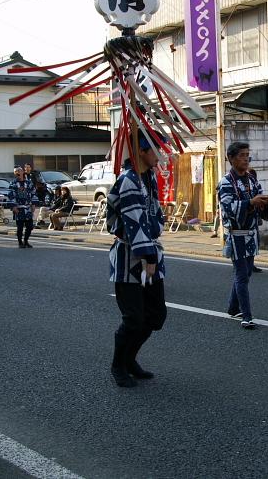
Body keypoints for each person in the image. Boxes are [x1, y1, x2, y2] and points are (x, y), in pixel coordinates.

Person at [106, 131, 168, 387]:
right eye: (156, 149)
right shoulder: (129, 180)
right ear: (141, 151)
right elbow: (133, 221)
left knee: (156, 316)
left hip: (150, 251)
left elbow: (155, 215)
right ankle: (118, 364)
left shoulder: (148, 177)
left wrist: (153, 243)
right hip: (130, 258)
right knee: (134, 319)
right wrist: (147, 255)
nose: (160, 154)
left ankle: (130, 358)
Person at [218, 142, 268, 329]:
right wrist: (251, 202)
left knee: (247, 272)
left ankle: (233, 308)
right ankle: (247, 316)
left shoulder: (251, 179)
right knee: (242, 274)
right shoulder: (226, 182)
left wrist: (264, 201)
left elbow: (258, 196)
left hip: (251, 233)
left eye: (247, 155)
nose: (245, 159)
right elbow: (228, 208)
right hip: (236, 235)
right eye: (241, 155)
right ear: (231, 158)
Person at [7, 166, 38, 248]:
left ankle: (26, 240)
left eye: (19, 171)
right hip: (18, 208)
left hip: (28, 208)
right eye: (16, 171)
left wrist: (33, 204)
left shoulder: (28, 183)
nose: (17, 172)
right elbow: (10, 195)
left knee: (30, 226)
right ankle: (20, 242)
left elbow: (33, 193)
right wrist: (13, 207)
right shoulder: (13, 183)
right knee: (20, 227)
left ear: (22, 172)